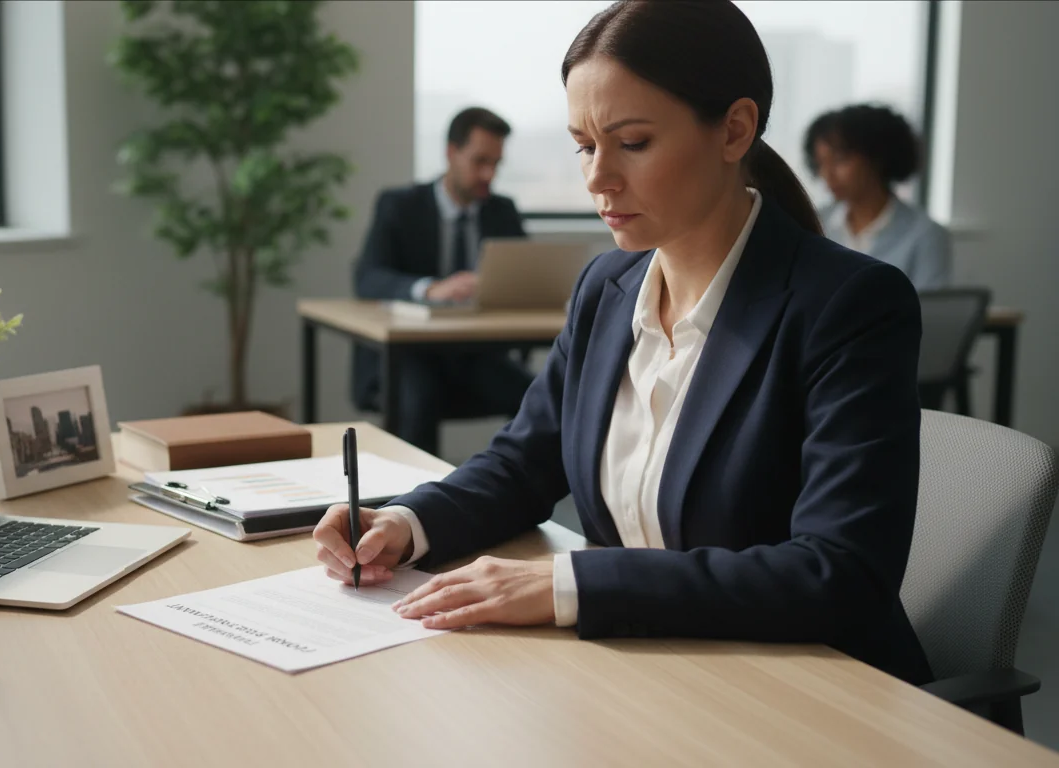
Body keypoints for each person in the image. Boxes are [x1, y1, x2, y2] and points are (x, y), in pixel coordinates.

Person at [315, 0, 933, 685]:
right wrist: (406, 522)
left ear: (734, 130)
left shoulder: (848, 305)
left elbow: (838, 573)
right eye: (584, 145)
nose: (596, 178)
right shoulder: (606, 287)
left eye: (632, 143)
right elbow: (525, 462)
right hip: (652, 672)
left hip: (809, 686)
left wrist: (568, 584)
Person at [351, 107, 534, 457]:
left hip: (476, 353)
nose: (488, 174)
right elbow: (368, 278)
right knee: (419, 398)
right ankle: (414, 507)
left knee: (541, 396)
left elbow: (524, 279)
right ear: (451, 153)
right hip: (411, 354)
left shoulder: (502, 211)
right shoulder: (400, 206)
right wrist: (430, 289)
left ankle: (527, 500)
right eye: (480, 161)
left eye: (496, 164)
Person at [805, 104, 951, 290]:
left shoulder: (924, 235)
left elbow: (930, 313)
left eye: (839, 160)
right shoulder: (813, 223)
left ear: (877, 158)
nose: (827, 174)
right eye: (820, 163)